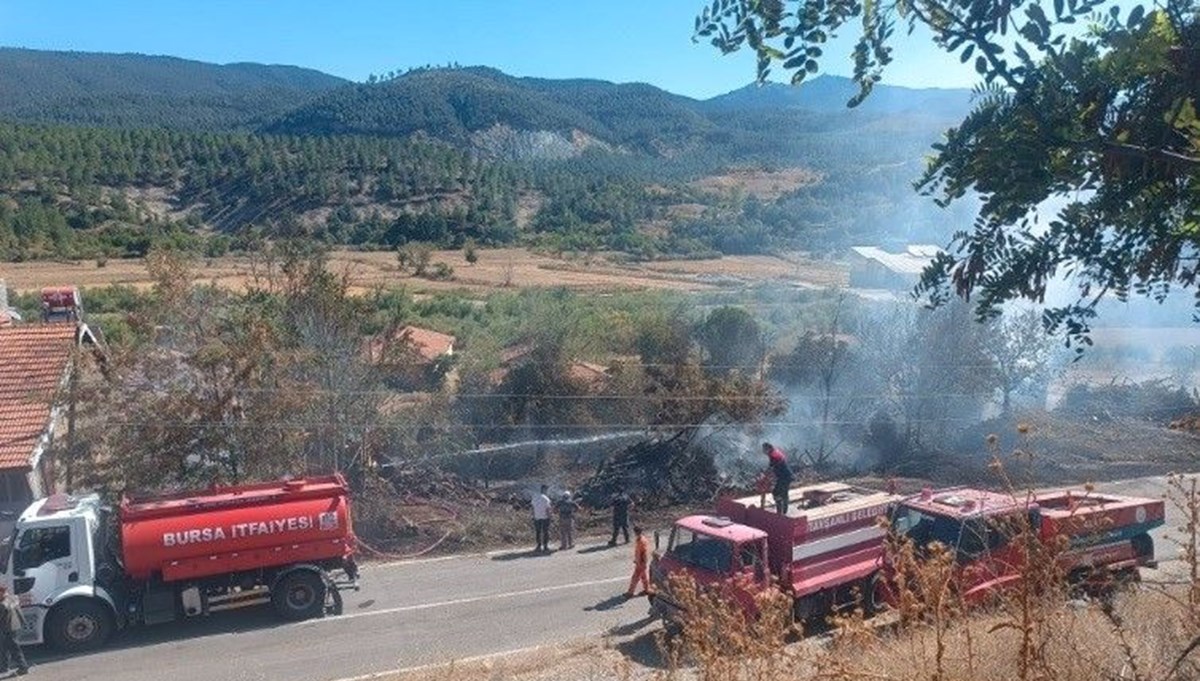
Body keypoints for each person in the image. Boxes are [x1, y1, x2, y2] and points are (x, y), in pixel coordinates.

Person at [0, 585, 28, 676]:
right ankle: (3, 667)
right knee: (4, 648)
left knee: (13, 649)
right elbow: (19, 611)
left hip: (7, 629)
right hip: (15, 626)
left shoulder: (2, 605)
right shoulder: (12, 598)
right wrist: (24, 623)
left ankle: (23, 667)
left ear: (1, 593)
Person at [763, 442, 794, 515]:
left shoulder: (773, 455)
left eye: (764, 449)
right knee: (784, 493)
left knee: (776, 492)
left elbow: (771, 467)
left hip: (784, 477)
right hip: (785, 476)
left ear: (768, 449)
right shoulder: (774, 452)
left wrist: (765, 475)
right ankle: (784, 511)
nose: (763, 451)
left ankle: (780, 512)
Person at [625, 525, 652, 598]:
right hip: (640, 562)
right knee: (644, 577)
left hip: (641, 563)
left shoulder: (641, 541)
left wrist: (641, 562)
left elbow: (644, 553)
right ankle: (647, 589)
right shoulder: (640, 540)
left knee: (635, 577)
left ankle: (630, 592)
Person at [532, 484, 552, 553]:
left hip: (537, 517)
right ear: (544, 490)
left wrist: (534, 516)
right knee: (545, 532)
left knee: (538, 532)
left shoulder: (535, 498)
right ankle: (545, 546)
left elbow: (533, 508)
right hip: (545, 517)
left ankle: (538, 546)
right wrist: (550, 517)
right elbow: (548, 509)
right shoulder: (546, 499)